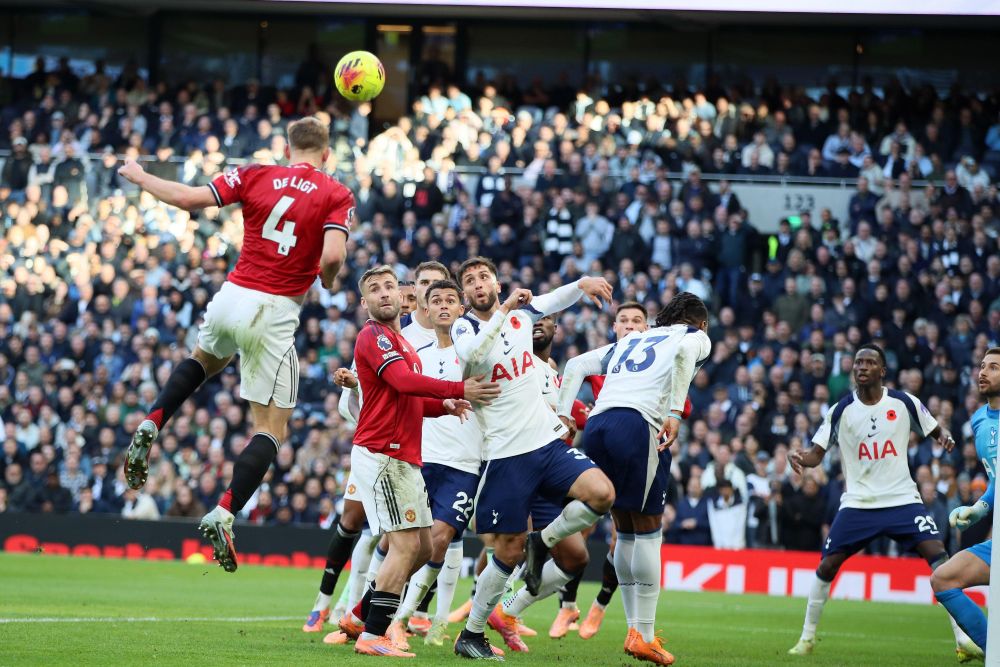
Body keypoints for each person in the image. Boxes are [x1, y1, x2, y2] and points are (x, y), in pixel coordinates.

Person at [117, 116, 352, 572]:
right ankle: (224, 510)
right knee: (270, 429)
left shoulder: (254, 173)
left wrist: (140, 175)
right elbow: (333, 256)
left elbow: (188, 200)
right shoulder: (335, 192)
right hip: (276, 309)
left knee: (205, 359)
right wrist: (325, 279)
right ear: (326, 154)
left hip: (232, 294)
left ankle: (152, 420)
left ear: (287, 149)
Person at [450, 256, 616, 660]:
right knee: (506, 551)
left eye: (484, 276)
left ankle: (543, 540)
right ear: (465, 294)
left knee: (601, 494)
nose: (477, 284)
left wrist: (582, 282)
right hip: (506, 454)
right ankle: (471, 634)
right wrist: (506, 309)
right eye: (469, 281)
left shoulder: (522, 318)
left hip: (546, 443)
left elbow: (552, 301)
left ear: (496, 280)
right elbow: (473, 353)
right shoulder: (464, 326)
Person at [787, 344, 979, 661]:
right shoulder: (840, 410)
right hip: (859, 503)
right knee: (827, 566)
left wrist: (943, 436)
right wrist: (801, 459)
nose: (861, 367)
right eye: (858, 362)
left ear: (882, 370)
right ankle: (807, 639)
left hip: (903, 499)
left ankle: (961, 641)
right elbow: (816, 453)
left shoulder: (903, 402)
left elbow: (933, 428)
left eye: (869, 362)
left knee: (940, 559)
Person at [347, 265, 499, 658]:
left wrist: (444, 406)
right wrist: (458, 387)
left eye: (389, 287)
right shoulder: (374, 336)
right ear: (365, 303)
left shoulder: (404, 344)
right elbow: (401, 382)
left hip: (405, 457)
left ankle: (364, 616)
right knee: (402, 547)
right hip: (383, 454)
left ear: (403, 295)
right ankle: (373, 634)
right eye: (374, 290)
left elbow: (409, 397)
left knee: (418, 548)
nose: (383, 294)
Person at [557, 291, 711, 666]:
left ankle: (634, 631)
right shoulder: (694, 336)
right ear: (700, 322)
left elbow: (576, 364)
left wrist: (563, 417)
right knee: (648, 529)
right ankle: (643, 634)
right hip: (637, 425)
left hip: (597, 425)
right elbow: (682, 356)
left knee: (623, 527)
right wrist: (674, 412)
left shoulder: (634, 338)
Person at [384, 278, 487, 648]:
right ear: (424, 310)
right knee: (401, 545)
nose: (443, 305)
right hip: (420, 460)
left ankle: (402, 621)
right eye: (436, 300)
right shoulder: (417, 357)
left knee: (440, 541)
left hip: (465, 465)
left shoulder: (476, 355)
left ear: (462, 310)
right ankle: (368, 611)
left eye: (451, 300)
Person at [931, 347, 1000, 658]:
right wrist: (977, 510)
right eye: (982, 366)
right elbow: (996, 480)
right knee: (943, 578)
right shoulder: (978, 421)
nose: (983, 372)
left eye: (994, 367)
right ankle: (993, 651)